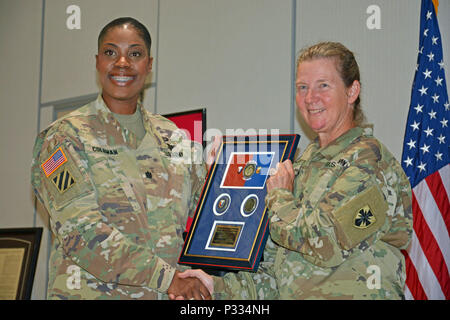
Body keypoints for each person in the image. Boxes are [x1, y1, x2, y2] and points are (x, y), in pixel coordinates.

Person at [181, 41, 413, 299]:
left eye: (323, 85)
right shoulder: (299, 166)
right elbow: (276, 269)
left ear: (352, 91)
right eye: (302, 87)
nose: (310, 98)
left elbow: (325, 243)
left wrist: (279, 197)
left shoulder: (369, 161)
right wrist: (217, 288)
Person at [31, 17, 212, 300]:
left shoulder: (175, 138)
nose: (123, 63)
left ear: (149, 65)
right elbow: (83, 233)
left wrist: (230, 181)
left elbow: (207, 215)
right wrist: (168, 279)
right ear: (97, 61)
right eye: (111, 52)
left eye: (135, 54)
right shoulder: (64, 137)